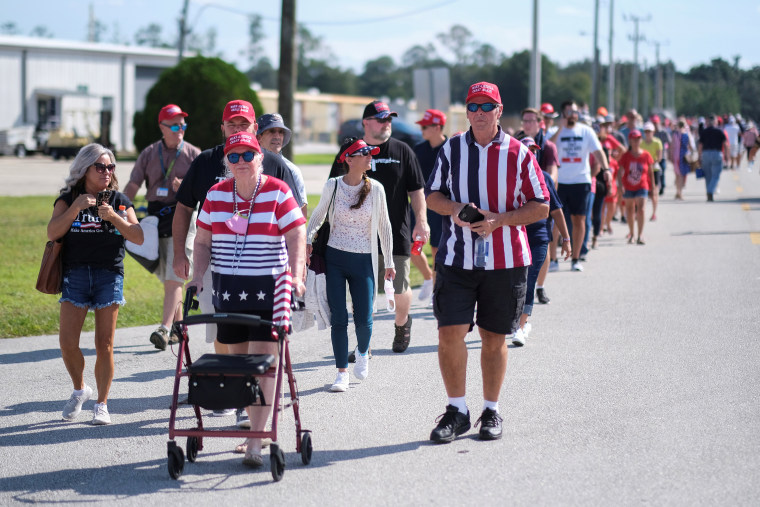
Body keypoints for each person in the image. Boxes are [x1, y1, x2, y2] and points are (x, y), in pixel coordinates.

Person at [426, 82, 549, 443]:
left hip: (506, 260)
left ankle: (491, 410)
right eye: (473, 106)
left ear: (499, 110)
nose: (479, 112)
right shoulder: (451, 149)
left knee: (494, 338)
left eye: (486, 106)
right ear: (467, 112)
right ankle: (457, 410)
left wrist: (501, 219)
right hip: (456, 258)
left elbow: (540, 205)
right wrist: (454, 211)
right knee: (449, 333)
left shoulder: (518, 152)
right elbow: (432, 194)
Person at [173, 99, 305, 427]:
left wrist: (296, 272)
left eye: (248, 154)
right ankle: (246, 412)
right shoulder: (217, 192)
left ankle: (256, 441)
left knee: (263, 361)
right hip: (229, 289)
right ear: (226, 160)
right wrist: (197, 274)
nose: (241, 161)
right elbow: (202, 240)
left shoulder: (277, 186)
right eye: (234, 156)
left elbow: (296, 233)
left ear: (259, 153)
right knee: (239, 361)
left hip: (270, 287)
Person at [47, 143, 144, 425]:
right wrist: (75, 208)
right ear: (84, 169)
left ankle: (101, 403)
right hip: (75, 274)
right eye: (99, 166)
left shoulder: (120, 200)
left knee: (105, 344)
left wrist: (114, 217)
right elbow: (53, 232)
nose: (106, 171)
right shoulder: (68, 198)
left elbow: (137, 236)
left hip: (108, 274)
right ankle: (80, 389)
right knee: (67, 343)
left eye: (110, 167)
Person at [328, 100, 429, 354]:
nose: (387, 124)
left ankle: (402, 323)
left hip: (396, 232)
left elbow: (416, 190)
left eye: (389, 119)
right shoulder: (350, 151)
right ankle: (365, 342)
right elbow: (334, 188)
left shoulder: (403, 150)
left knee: (400, 286)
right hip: (357, 237)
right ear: (366, 122)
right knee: (363, 291)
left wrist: (422, 221)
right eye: (381, 119)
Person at [307, 138, 395, 392]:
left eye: (371, 153)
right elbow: (317, 215)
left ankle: (363, 351)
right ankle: (341, 373)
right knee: (339, 318)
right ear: (348, 158)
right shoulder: (332, 186)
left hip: (364, 260)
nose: (370, 156)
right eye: (364, 153)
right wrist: (308, 239)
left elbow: (384, 227)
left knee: (364, 317)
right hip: (335, 259)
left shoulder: (376, 189)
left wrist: (389, 261)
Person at [124, 104, 201, 350]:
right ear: (162, 127)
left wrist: (186, 189)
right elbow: (133, 185)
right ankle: (180, 328)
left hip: (185, 218)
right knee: (170, 279)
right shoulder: (148, 153)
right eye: (175, 125)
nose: (181, 130)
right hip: (156, 221)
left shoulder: (193, 154)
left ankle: (164, 329)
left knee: (174, 278)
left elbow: (206, 193)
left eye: (183, 125)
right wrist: (120, 211)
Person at [512, 137, 571, 347]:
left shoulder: (544, 177)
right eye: (527, 150)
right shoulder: (508, 176)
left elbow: (556, 210)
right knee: (513, 282)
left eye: (534, 151)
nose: (531, 154)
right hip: (514, 237)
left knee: (529, 280)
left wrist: (566, 238)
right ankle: (516, 320)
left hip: (538, 237)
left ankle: (521, 326)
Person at [549, 100, 609, 272]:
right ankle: (553, 259)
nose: (572, 115)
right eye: (568, 112)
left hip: (581, 181)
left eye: (575, 112)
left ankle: (576, 258)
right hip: (560, 182)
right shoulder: (555, 131)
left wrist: (607, 169)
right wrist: (560, 128)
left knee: (579, 220)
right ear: (563, 114)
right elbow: (548, 147)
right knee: (555, 222)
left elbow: (598, 152)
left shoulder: (586, 131)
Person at [413, 109, 448, 305]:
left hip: (440, 205)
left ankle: (437, 289)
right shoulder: (418, 149)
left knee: (437, 250)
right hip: (419, 205)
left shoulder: (451, 147)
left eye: (425, 126)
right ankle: (428, 278)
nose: (422, 130)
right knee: (411, 247)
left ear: (437, 127)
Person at [255, 113, 308, 218]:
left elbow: (301, 212)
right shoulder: (245, 165)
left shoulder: (291, 170)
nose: (277, 136)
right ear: (259, 137)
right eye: (272, 131)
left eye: (281, 132)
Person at [617, 131, 655, 244]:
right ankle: (632, 234)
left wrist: (652, 186)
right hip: (628, 186)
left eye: (638, 139)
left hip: (642, 185)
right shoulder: (626, 156)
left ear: (641, 140)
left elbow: (650, 171)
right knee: (629, 210)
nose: (636, 141)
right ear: (630, 141)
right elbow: (620, 171)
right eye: (634, 139)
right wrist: (620, 185)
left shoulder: (646, 155)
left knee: (641, 209)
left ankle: (640, 235)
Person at [698, 114, 728, 202]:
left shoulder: (704, 131)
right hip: (717, 153)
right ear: (715, 122)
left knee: (708, 175)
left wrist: (699, 156)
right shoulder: (720, 131)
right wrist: (726, 156)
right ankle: (710, 191)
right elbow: (726, 144)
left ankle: (709, 192)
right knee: (716, 175)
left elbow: (700, 145)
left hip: (706, 153)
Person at [640, 122, 663, 221]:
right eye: (646, 131)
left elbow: (659, 157)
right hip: (644, 170)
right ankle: (641, 211)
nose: (648, 133)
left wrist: (651, 163)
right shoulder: (641, 143)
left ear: (653, 132)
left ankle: (654, 213)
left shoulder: (657, 142)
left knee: (654, 192)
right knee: (643, 191)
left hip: (654, 169)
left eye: (649, 131)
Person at [672, 119, 694, 200]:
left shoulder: (675, 135)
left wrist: (671, 156)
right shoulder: (686, 135)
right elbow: (690, 146)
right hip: (683, 156)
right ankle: (679, 192)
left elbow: (672, 146)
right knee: (681, 175)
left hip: (676, 156)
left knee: (677, 175)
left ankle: (678, 191)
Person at [651, 115, 671, 195]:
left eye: (655, 123)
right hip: (653, 157)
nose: (655, 124)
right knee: (654, 173)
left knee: (662, 172)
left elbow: (669, 142)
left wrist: (669, 153)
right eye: (653, 123)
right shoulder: (651, 133)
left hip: (662, 156)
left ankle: (662, 186)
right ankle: (654, 187)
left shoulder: (663, 132)